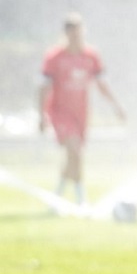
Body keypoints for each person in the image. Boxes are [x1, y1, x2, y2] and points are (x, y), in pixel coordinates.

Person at [38, 12, 126, 207]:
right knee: (75, 151)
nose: (75, 37)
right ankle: (81, 200)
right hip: (60, 112)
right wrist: (41, 115)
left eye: (78, 32)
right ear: (66, 34)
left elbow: (102, 85)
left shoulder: (91, 56)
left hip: (81, 113)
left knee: (74, 156)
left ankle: (56, 198)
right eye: (72, 33)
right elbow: (44, 88)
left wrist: (116, 106)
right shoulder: (54, 57)